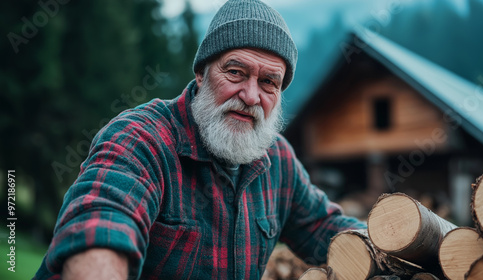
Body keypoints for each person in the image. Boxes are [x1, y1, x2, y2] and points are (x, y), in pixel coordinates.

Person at [34, 0, 366, 279]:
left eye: (269, 82)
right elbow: (101, 225)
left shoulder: (277, 160)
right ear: (201, 73)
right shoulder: (141, 138)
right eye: (235, 72)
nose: (251, 96)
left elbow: (326, 228)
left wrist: (402, 242)